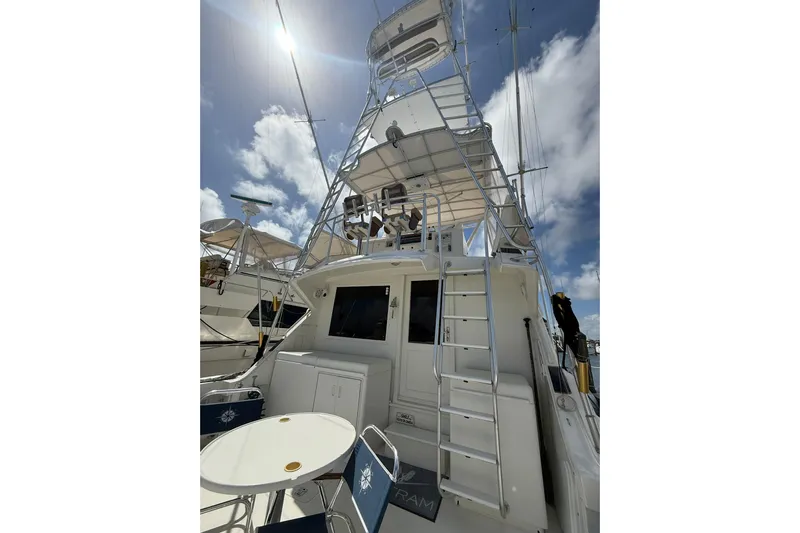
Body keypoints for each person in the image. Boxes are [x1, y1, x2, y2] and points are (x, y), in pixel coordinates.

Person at [551, 292, 597, 394]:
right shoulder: (563, 308)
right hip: (572, 335)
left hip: (573, 336)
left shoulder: (562, 308)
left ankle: (587, 387)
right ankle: (587, 387)